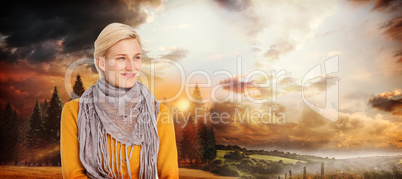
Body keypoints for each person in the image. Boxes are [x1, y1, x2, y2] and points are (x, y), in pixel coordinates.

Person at [60, 23, 179, 179]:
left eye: (136, 57)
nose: (132, 67)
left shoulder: (158, 113)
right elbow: (73, 175)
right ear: (101, 63)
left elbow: (169, 176)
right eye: (122, 58)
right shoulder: (75, 111)